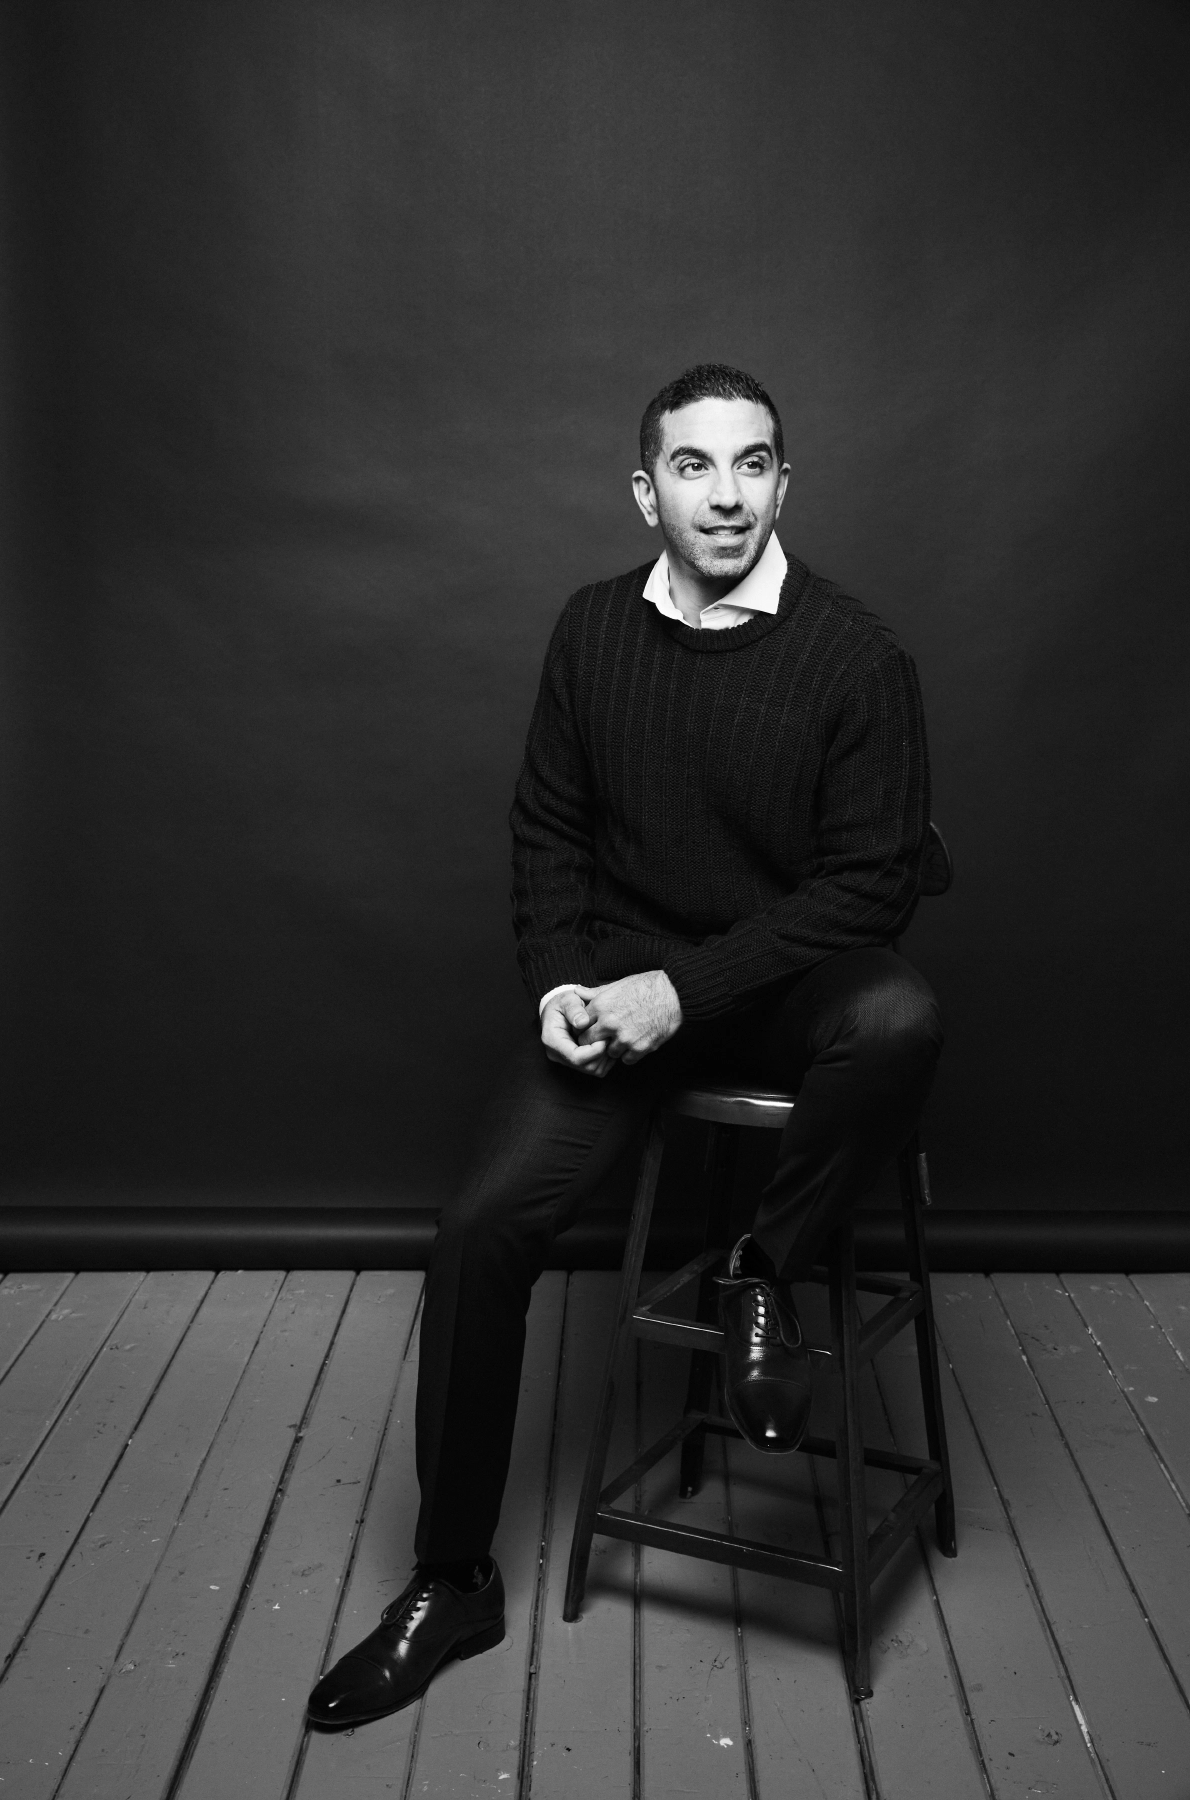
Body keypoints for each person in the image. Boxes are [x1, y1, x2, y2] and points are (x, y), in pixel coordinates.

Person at [307, 363, 943, 1728]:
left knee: (900, 1015)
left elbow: (869, 889)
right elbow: (549, 834)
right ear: (645, 490)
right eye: (698, 468)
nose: (728, 494)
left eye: (755, 464)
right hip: (617, 998)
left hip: (778, 987)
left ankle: (760, 1272)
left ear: (787, 482)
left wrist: (681, 991)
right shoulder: (592, 631)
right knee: (478, 1226)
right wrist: (558, 984)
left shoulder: (858, 657)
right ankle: (452, 1578)